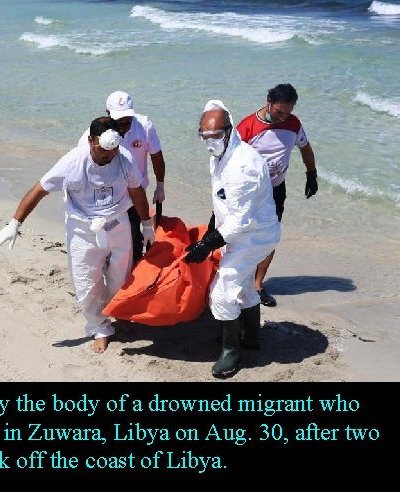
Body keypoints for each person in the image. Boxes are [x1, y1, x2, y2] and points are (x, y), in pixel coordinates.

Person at [0, 116, 155, 354]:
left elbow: (137, 192)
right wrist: (14, 224)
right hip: (83, 230)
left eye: (112, 151)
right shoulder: (72, 162)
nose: (107, 156)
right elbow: (39, 190)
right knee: (87, 284)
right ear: (91, 140)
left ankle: (116, 312)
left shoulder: (124, 159)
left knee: (121, 278)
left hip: (117, 224)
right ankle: (100, 328)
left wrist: (147, 224)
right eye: (102, 151)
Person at [185, 100, 281, 378]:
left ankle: (231, 351)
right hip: (241, 232)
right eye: (204, 136)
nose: (209, 142)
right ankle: (250, 337)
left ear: (228, 131)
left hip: (255, 236)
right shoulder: (220, 153)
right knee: (244, 287)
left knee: (223, 289)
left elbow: (241, 220)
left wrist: (207, 244)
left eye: (214, 136)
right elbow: (222, 200)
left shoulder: (243, 167)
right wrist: (212, 229)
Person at [236, 83, 317, 307]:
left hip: (276, 189)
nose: (284, 117)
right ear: (268, 102)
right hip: (248, 192)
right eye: (280, 112)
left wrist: (312, 174)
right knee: (242, 236)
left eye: (288, 112)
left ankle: (258, 285)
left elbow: (306, 147)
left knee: (269, 237)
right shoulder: (247, 127)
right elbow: (228, 163)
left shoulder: (294, 124)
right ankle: (237, 280)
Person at [77, 91, 165, 263]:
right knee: (106, 241)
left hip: (134, 195)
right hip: (105, 196)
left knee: (134, 238)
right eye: (119, 121)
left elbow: (157, 156)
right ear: (108, 114)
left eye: (128, 119)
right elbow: (82, 168)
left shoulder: (144, 126)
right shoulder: (93, 135)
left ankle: (134, 276)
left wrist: (160, 186)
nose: (124, 124)